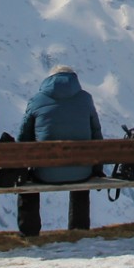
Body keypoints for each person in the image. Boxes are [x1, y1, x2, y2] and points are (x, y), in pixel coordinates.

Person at [16, 64, 103, 236]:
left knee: (28, 182)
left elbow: (22, 140)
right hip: (81, 171)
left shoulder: (37, 100)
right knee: (80, 176)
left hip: (44, 172)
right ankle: (79, 230)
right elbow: (96, 135)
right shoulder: (86, 99)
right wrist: (97, 169)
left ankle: (29, 230)